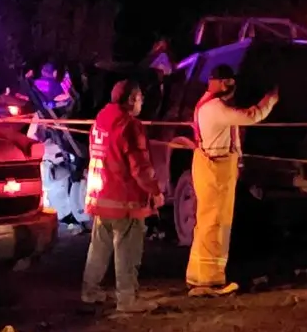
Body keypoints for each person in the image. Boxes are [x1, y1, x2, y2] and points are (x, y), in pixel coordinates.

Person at [186, 64, 278, 297]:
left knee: (208, 221)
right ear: (216, 82)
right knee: (215, 224)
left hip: (212, 166)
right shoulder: (215, 107)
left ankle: (198, 276)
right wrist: (270, 100)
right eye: (227, 82)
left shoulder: (209, 105)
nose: (231, 87)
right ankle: (211, 281)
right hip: (215, 168)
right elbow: (251, 116)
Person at [81, 80, 164, 313]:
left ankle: (90, 291)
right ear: (130, 99)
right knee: (127, 250)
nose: (142, 102)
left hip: (101, 197)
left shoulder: (101, 119)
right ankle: (127, 299)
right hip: (124, 199)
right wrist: (155, 191)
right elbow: (140, 167)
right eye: (139, 98)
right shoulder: (130, 125)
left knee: (98, 248)